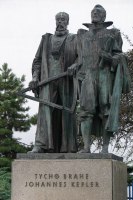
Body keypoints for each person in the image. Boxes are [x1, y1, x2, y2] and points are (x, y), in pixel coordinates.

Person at [77, 5, 131, 153]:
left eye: (98, 12)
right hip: (87, 76)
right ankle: (86, 147)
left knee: (105, 109)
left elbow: (120, 56)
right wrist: (75, 67)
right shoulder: (82, 35)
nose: (95, 13)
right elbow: (79, 58)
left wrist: (110, 57)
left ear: (104, 17)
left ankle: (105, 148)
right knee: (85, 111)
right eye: (93, 12)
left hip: (104, 74)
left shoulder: (112, 34)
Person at [29, 12, 78, 153]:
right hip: (47, 81)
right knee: (45, 110)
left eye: (63, 20)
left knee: (67, 112)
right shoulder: (46, 39)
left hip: (66, 81)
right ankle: (40, 145)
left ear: (68, 22)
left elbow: (82, 58)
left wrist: (75, 65)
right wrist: (34, 78)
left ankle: (68, 147)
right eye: (58, 19)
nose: (60, 22)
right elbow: (37, 61)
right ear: (55, 21)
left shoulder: (74, 39)